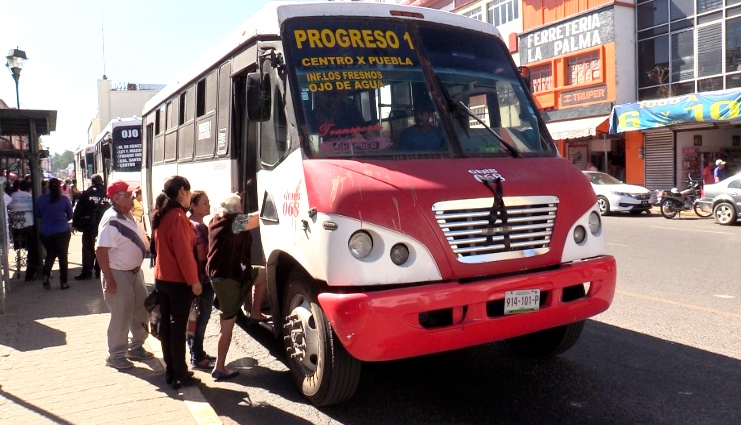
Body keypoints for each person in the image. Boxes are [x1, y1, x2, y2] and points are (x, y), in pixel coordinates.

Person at [206, 193, 268, 381]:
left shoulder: (217, 219)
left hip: (227, 273)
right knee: (227, 323)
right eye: (240, 205)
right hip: (226, 276)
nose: (243, 208)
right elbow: (258, 218)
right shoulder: (233, 222)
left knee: (262, 274)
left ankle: (255, 312)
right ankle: (219, 367)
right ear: (235, 209)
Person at [96, 180, 154, 369]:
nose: (132, 198)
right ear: (116, 198)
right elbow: (101, 250)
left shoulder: (128, 215)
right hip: (118, 273)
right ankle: (115, 355)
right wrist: (109, 279)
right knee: (121, 315)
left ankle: (135, 347)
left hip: (134, 273)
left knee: (141, 309)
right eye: (127, 195)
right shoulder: (111, 220)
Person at [152, 176, 202, 389]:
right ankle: (180, 372)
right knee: (177, 329)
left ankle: (171, 371)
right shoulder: (178, 217)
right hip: (178, 281)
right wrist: (195, 281)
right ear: (182, 191)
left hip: (162, 278)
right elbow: (184, 254)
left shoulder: (162, 215)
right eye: (190, 192)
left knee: (167, 328)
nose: (190, 196)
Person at [187, 191, 216, 370]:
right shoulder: (199, 227)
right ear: (194, 206)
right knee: (201, 319)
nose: (208, 205)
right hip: (202, 280)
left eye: (208, 201)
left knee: (195, 318)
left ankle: (196, 352)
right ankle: (197, 357)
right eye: (204, 203)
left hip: (194, 278)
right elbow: (202, 254)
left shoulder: (192, 222)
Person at [35, 178, 73, 290]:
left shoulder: (40, 199)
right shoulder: (64, 200)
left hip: (45, 231)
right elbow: (70, 215)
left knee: (51, 254)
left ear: (48, 187)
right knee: (62, 256)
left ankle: (45, 276)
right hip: (61, 230)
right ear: (59, 187)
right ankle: (63, 282)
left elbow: (38, 214)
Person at [72, 174, 110, 280]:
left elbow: (79, 209)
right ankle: (99, 271)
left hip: (90, 225)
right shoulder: (108, 192)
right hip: (105, 224)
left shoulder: (87, 193)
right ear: (101, 181)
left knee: (88, 248)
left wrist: (75, 224)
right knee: (102, 247)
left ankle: (87, 272)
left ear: (92, 182)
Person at [8, 180, 40, 281]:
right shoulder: (31, 197)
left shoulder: (12, 196)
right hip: (29, 228)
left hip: (16, 231)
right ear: (30, 188)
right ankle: (31, 272)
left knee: (28, 245)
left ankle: (19, 249)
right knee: (35, 246)